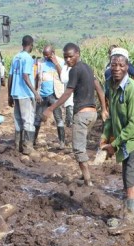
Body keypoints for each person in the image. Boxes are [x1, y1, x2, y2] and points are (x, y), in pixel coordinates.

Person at [100, 49, 134, 234]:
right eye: (114, 65)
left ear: (127, 67)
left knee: (131, 175)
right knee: (128, 177)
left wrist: (114, 145)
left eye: (121, 65)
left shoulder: (133, 90)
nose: (117, 68)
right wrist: (104, 138)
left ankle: (130, 221)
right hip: (126, 139)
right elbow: (112, 118)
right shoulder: (110, 86)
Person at [42, 43, 108, 186]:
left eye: (70, 56)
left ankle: (88, 180)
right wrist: (103, 109)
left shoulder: (75, 70)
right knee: (81, 145)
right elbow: (100, 90)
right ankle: (84, 176)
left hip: (82, 115)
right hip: (92, 115)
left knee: (78, 149)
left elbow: (67, 93)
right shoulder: (87, 68)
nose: (67, 60)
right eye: (65, 57)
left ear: (78, 54)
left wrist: (50, 108)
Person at [8, 35, 40, 155]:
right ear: (31, 45)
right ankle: (28, 147)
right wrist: (35, 92)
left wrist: (9, 95)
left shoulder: (16, 57)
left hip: (15, 93)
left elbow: (10, 77)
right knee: (28, 120)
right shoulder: (27, 58)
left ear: (22, 44)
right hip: (25, 93)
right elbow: (25, 76)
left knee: (18, 120)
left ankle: (18, 146)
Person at [34, 45, 65, 149]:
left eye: (48, 55)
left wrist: (56, 63)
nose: (46, 57)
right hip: (42, 94)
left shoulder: (60, 61)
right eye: (45, 55)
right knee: (38, 118)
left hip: (56, 94)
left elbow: (63, 77)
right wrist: (35, 92)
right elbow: (36, 77)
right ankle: (33, 140)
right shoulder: (40, 62)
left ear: (53, 53)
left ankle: (62, 142)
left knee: (59, 119)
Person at [60, 61, 74, 129]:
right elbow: (63, 79)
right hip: (68, 90)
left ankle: (70, 123)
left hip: (72, 91)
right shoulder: (65, 68)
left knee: (70, 106)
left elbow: (64, 79)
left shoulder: (72, 69)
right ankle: (69, 122)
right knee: (69, 106)